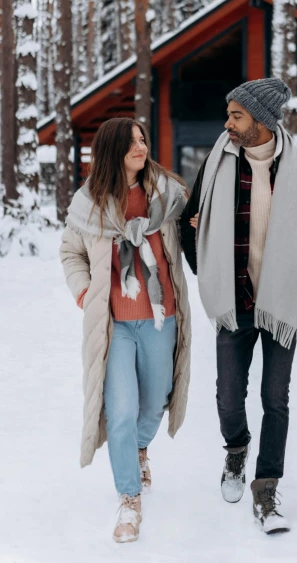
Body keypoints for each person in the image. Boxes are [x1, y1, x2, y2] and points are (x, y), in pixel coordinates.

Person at [180, 77, 297, 534]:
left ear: (262, 121)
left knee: (276, 398)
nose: (227, 123)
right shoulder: (216, 165)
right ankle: (236, 450)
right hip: (234, 301)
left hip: (281, 302)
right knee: (229, 398)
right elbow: (187, 223)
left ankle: (266, 488)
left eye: (236, 115)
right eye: (229, 114)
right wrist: (205, 269)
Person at [60, 118, 191, 544]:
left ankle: (139, 450)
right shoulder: (90, 203)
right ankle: (129, 497)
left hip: (161, 317)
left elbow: (195, 235)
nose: (140, 146)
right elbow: (71, 252)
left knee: (155, 402)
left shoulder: (167, 195)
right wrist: (84, 292)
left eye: (143, 139)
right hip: (114, 325)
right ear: (113, 149)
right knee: (119, 410)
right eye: (131, 141)